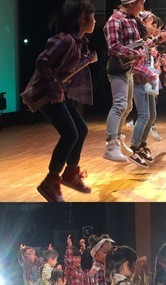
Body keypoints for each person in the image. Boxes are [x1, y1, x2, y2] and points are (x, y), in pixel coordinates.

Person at [23, 0, 97, 201]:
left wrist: (87, 60)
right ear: (82, 18)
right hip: (48, 95)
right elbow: (42, 61)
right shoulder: (64, 39)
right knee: (70, 134)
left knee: (81, 130)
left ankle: (71, 173)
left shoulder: (78, 41)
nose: (95, 20)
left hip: (59, 92)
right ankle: (51, 181)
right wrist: (55, 90)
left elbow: (66, 69)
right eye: (93, 16)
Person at [103, 0, 146, 163]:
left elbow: (136, 44)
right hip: (118, 68)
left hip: (128, 68)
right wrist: (135, 53)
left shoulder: (131, 20)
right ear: (132, 3)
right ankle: (111, 145)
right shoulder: (115, 20)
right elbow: (113, 47)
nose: (142, 7)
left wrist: (142, 50)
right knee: (120, 105)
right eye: (140, 3)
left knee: (127, 107)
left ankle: (118, 140)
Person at [127, 11, 161, 168]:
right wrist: (149, 73)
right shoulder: (137, 42)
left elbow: (150, 62)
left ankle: (141, 144)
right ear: (141, 23)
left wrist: (155, 54)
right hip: (139, 82)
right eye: (152, 23)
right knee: (144, 115)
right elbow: (135, 65)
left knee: (151, 115)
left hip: (147, 83)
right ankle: (134, 147)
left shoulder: (147, 42)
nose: (154, 27)